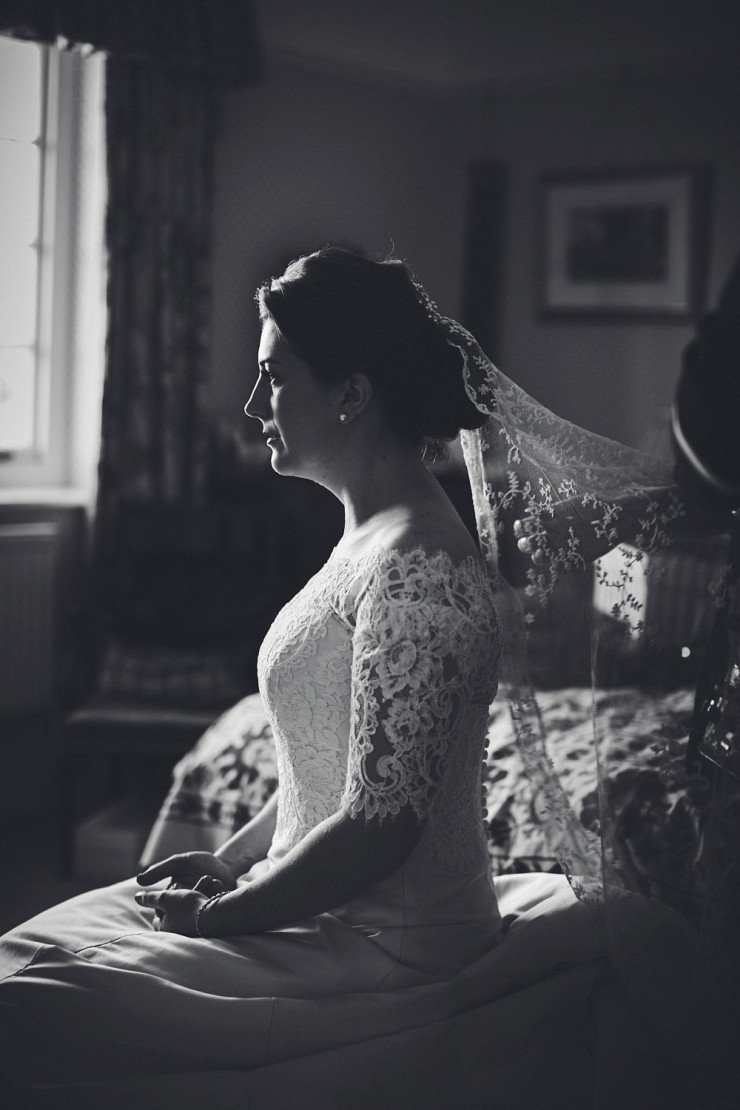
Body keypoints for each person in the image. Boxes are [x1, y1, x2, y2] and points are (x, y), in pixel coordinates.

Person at [0, 248, 728, 1108]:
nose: (250, 405)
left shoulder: (419, 567)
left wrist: (224, 916)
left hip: (386, 945)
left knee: (37, 1004)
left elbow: (380, 826)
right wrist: (232, 863)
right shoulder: (368, 537)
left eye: (272, 377)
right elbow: (341, 763)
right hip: (318, 909)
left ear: (351, 394)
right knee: (40, 964)